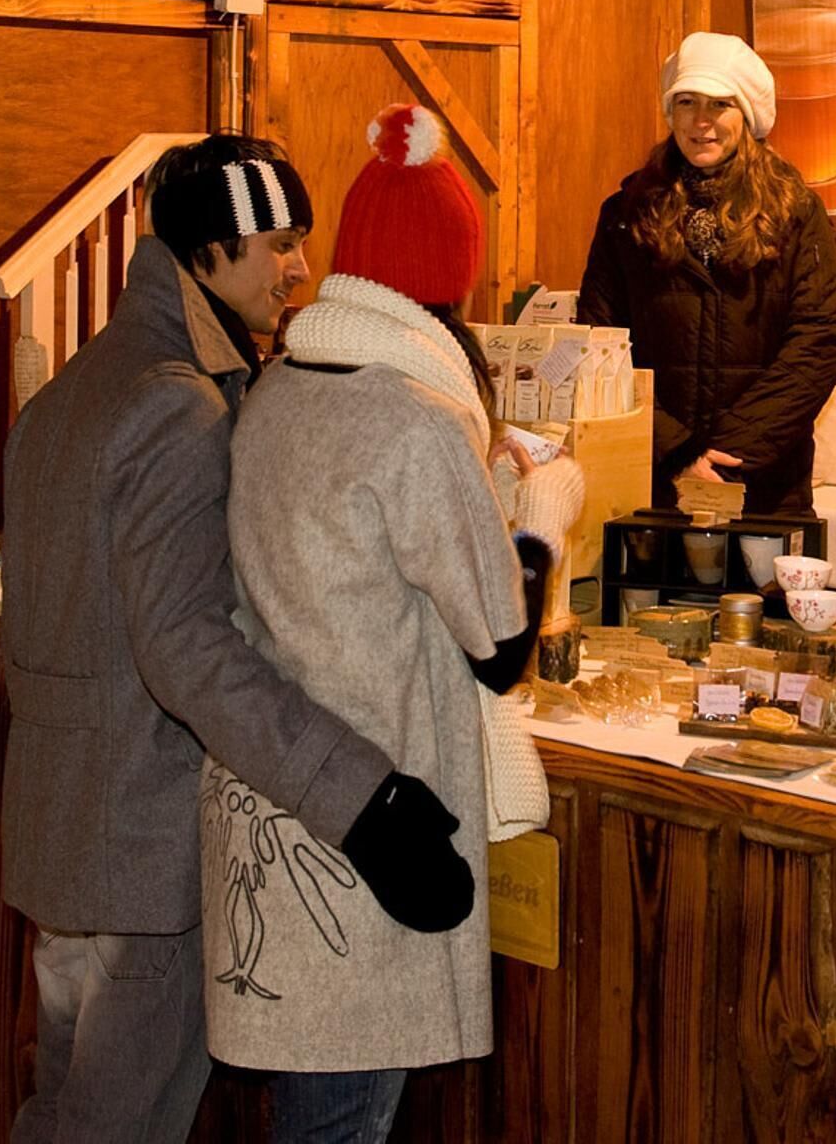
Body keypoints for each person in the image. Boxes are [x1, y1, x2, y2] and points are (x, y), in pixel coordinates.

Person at [0, 135, 474, 1144]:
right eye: (277, 244)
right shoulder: (176, 404)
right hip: (146, 848)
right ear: (206, 253)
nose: (298, 268)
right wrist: (365, 797)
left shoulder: (65, 398)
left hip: (65, 836)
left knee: (65, 1116)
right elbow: (187, 652)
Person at [201, 105, 566, 1143]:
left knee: (310, 1115)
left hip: (279, 813)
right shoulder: (414, 416)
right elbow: (498, 647)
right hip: (381, 824)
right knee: (342, 1125)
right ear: (446, 288)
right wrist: (539, 519)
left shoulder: (277, 391)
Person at [576, 31, 836, 516]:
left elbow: (818, 343)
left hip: (765, 488)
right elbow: (597, 344)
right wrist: (678, 452)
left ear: (747, 116)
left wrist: (728, 455)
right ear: (669, 112)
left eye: (720, 104)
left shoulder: (796, 212)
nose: (702, 121)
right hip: (654, 485)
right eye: (686, 102)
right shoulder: (626, 216)